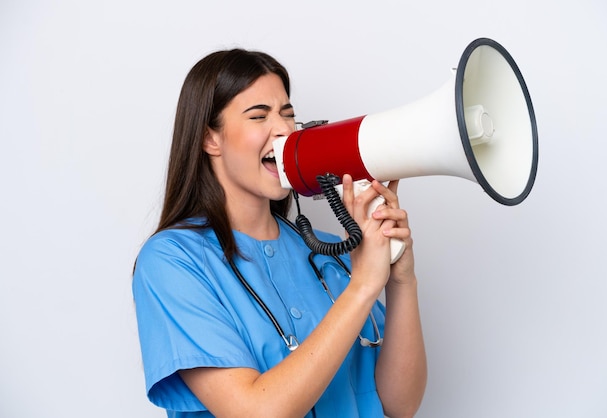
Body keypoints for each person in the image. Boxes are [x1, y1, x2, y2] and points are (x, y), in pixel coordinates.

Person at [133, 48, 427, 418]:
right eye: (259, 116)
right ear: (211, 139)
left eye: (289, 116)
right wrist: (364, 286)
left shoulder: (327, 252)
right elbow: (257, 411)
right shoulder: (172, 261)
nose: (284, 131)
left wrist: (400, 280)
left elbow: (399, 404)